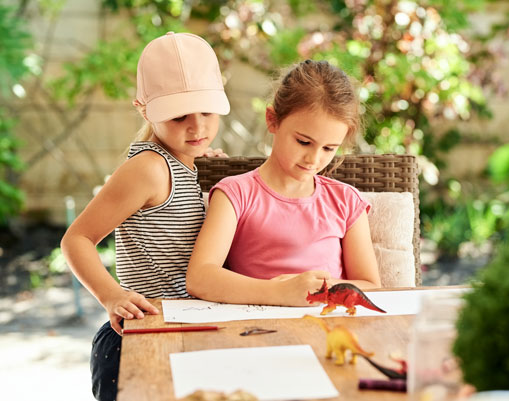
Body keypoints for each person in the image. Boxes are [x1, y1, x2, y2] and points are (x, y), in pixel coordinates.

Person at [60, 32, 230, 401]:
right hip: (139, 338)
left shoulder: (190, 163)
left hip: (190, 330)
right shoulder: (150, 168)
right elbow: (76, 238)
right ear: (142, 108)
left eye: (206, 111)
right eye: (178, 115)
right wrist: (111, 295)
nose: (197, 127)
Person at [186, 59, 381, 306]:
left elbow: (371, 286)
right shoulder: (235, 194)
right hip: (259, 331)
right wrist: (279, 293)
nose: (314, 159)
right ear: (272, 120)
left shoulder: (345, 201)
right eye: (303, 142)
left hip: (329, 329)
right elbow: (199, 277)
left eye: (329, 148)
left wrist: (318, 290)